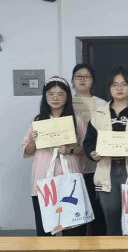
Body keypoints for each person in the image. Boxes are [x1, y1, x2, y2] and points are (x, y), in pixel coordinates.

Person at [83, 66, 128, 236]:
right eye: (115, 85)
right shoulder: (99, 114)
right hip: (107, 169)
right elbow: (89, 141)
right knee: (111, 218)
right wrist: (92, 153)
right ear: (109, 88)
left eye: (124, 84)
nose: (119, 88)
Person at [22, 76, 88, 236]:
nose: (55, 98)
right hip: (43, 178)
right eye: (51, 94)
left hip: (69, 177)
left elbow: (86, 149)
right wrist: (33, 141)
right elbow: (27, 150)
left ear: (67, 97)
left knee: (73, 228)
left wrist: (70, 150)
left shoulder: (77, 121)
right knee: (45, 229)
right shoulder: (38, 122)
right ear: (45, 97)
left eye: (60, 94)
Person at [72, 64, 108, 235]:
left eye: (86, 77)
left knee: (97, 209)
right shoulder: (65, 103)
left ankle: (98, 244)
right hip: (72, 165)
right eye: (78, 76)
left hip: (95, 166)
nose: (82, 80)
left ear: (93, 81)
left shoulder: (102, 104)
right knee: (75, 210)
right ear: (73, 80)